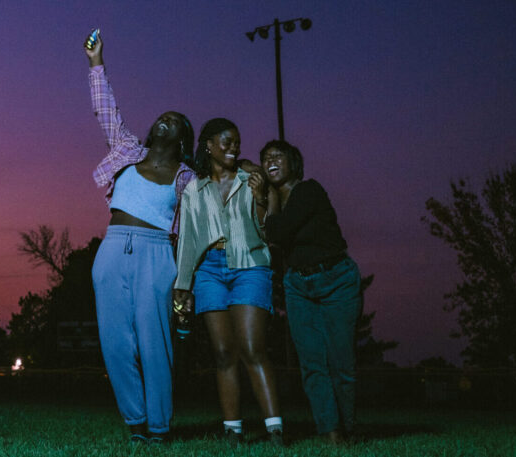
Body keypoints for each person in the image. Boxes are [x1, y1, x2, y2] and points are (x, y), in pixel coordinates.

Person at [84, 31, 195, 444]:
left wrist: (186, 284)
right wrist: (96, 62)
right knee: (115, 343)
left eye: (175, 120)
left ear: (182, 138)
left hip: (157, 254)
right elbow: (105, 109)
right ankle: (135, 423)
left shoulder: (187, 178)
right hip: (113, 249)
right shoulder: (127, 149)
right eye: (162, 116)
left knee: (155, 344)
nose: (165, 119)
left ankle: (159, 427)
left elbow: (193, 230)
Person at [172, 118, 284, 445]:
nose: (234, 147)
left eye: (237, 142)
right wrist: (183, 285)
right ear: (209, 145)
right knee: (223, 353)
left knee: (252, 347)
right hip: (209, 271)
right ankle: (232, 432)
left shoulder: (251, 179)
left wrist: (261, 197)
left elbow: (267, 230)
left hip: (250, 266)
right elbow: (188, 240)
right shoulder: (194, 190)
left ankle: (275, 430)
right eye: (227, 141)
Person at [260, 139, 362, 444]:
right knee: (312, 364)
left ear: (294, 163)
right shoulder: (275, 203)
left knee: (341, 362)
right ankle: (331, 433)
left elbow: (277, 232)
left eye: (278, 155)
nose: (270, 160)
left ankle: (349, 429)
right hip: (298, 285)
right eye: (265, 158)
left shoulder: (308, 190)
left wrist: (271, 200)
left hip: (336, 279)